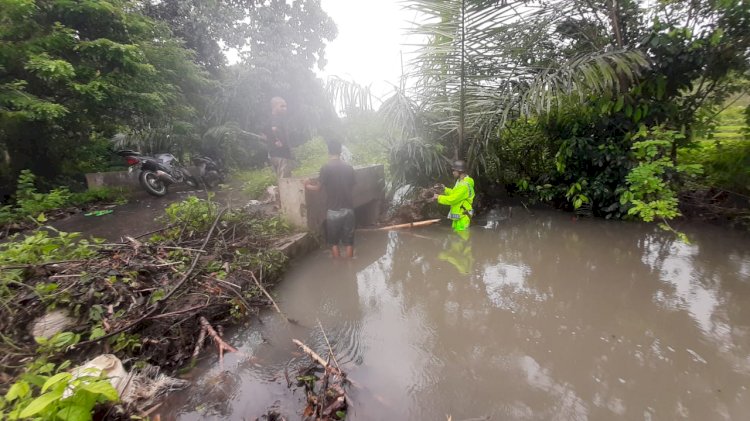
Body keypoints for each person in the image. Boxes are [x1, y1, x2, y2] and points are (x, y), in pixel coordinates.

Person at [305, 140, 356, 258]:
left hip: (333, 211)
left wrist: (307, 185)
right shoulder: (349, 167)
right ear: (340, 151)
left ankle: (337, 269)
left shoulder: (326, 168)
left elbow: (318, 188)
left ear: (329, 152)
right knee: (349, 242)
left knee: (334, 243)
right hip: (349, 210)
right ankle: (350, 269)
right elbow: (352, 185)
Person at [433, 160, 475, 232]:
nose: (453, 172)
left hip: (462, 217)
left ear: (460, 171)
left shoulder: (464, 185)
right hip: (458, 216)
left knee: (461, 240)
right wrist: (445, 189)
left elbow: (453, 199)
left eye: (454, 170)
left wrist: (438, 197)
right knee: (456, 240)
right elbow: (455, 193)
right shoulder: (460, 181)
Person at [263, 96, 293, 179]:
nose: (285, 108)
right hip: (281, 155)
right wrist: (278, 140)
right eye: (282, 106)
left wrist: (270, 142)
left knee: (282, 178)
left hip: (274, 154)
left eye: (285, 106)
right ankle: (284, 192)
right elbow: (274, 129)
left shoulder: (269, 120)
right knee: (285, 180)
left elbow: (263, 134)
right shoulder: (276, 119)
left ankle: (281, 191)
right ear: (274, 106)